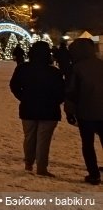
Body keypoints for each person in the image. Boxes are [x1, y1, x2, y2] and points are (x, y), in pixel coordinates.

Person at [10, 41, 64, 177]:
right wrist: (55, 101)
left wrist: (23, 97)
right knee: (43, 140)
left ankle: (29, 163)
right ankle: (41, 167)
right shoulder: (54, 72)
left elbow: (14, 85)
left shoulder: (23, 68)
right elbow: (62, 91)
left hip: (28, 107)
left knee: (29, 138)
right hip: (49, 110)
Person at [65, 38, 103, 185]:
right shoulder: (101, 65)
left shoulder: (77, 68)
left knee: (88, 144)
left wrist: (69, 112)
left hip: (85, 113)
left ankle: (94, 175)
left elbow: (71, 92)